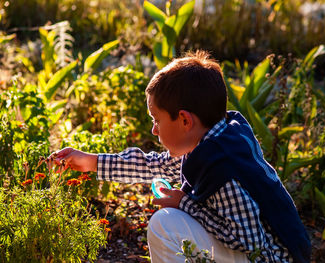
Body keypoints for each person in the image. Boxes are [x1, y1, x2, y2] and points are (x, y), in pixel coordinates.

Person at [52, 51, 311, 263]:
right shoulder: (215, 138)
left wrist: (184, 204)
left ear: (185, 120)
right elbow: (157, 165)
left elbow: (248, 242)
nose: (153, 130)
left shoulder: (223, 170)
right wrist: (93, 162)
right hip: (267, 252)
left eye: (157, 121)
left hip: (269, 257)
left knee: (166, 224)